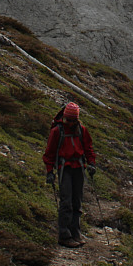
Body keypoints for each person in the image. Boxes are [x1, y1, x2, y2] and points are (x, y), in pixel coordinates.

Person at [43, 102, 96, 248]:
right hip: (64, 168)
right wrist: (49, 172)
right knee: (66, 201)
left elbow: (88, 148)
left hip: (79, 167)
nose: (70, 122)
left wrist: (91, 163)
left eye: (73, 120)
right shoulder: (57, 131)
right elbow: (49, 153)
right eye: (68, 119)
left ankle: (75, 232)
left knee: (77, 201)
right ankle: (64, 235)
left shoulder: (82, 130)